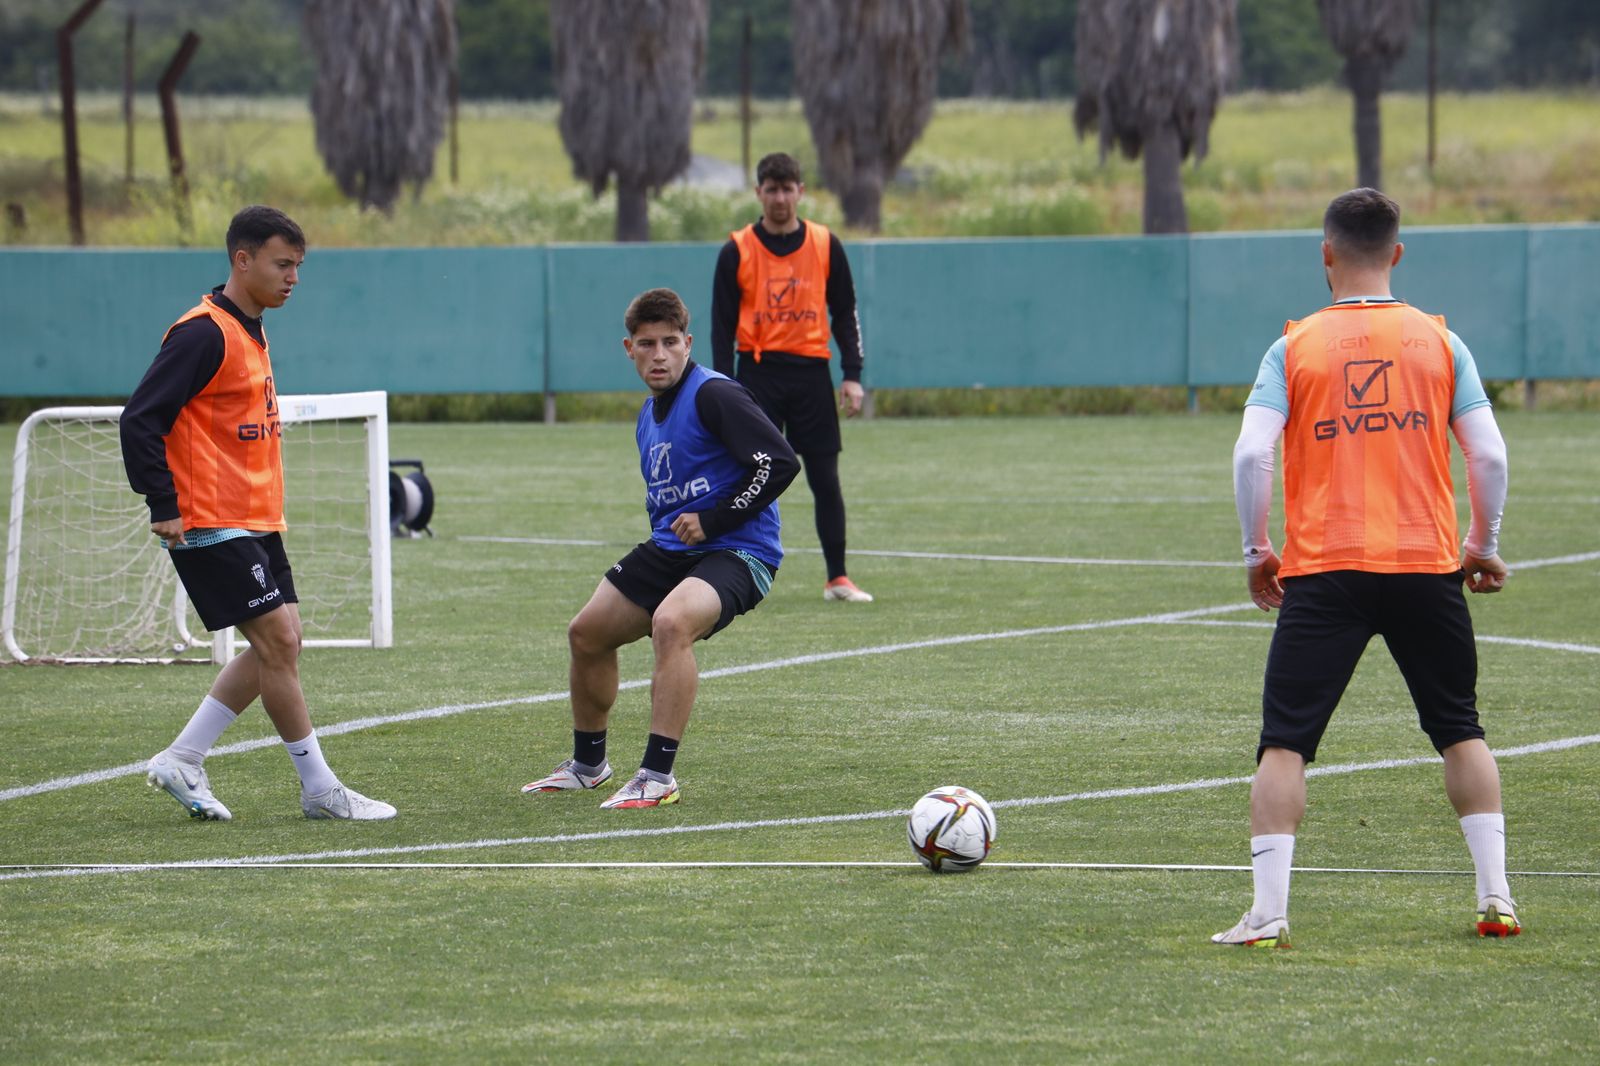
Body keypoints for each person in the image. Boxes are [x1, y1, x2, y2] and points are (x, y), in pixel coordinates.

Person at [1213, 188, 1516, 947]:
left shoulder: (1294, 346)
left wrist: (1258, 553)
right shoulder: (1442, 342)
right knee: (1459, 730)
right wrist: (1481, 543)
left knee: (1285, 743)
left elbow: (1252, 452)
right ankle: (1496, 897)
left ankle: (1269, 912)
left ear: (1326, 254)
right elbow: (1489, 454)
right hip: (1425, 564)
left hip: (1326, 569)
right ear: (1398, 253)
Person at [121, 205, 396, 822]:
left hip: (256, 517)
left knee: (285, 643)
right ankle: (320, 789)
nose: (292, 277)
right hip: (209, 518)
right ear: (241, 260)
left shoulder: (251, 325)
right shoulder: (202, 332)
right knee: (277, 642)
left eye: (298, 266)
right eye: (282, 264)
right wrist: (162, 502)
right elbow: (141, 417)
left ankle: (184, 758)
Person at [522, 288, 801, 809]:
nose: (659, 355)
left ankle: (657, 776)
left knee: (671, 623)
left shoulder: (715, 394)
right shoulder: (647, 416)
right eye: (646, 344)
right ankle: (588, 766)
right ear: (628, 348)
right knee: (586, 633)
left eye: (670, 342)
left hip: (741, 550)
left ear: (687, 343)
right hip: (673, 549)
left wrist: (716, 518)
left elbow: (778, 462)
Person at [711, 151, 873, 603]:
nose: (780, 198)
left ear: (801, 192)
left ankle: (837, 578)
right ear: (759, 192)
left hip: (811, 375)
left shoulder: (824, 244)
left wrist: (853, 374)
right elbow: (721, 326)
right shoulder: (737, 249)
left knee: (825, 477)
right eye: (772, 188)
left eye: (788, 188)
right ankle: (734, 565)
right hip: (758, 376)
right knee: (751, 475)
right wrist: (722, 387)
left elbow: (845, 313)